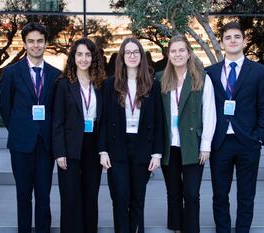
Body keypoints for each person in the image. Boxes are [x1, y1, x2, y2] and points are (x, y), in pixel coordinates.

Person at [204, 21, 264, 233]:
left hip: (248, 142)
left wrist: (259, 137)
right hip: (221, 142)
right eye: (228, 37)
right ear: (222, 43)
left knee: (246, 193)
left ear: (243, 41)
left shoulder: (259, 72)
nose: (232, 40)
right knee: (220, 193)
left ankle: (243, 229)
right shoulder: (211, 73)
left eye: (236, 37)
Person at [0, 22, 61, 233]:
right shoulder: (11, 73)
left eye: (40, 41)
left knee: (43, 194)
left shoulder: (56, 75)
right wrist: (19, 130)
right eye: (31, 41)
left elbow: (57, 111)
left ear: (46, 43)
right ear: (24, 44)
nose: (36, 45)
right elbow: (5, 108)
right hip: (20, 144)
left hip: (45, 144)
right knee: (23, 194)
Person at [98, 37, 164, 233]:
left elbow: (159, 121)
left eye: (136, 52)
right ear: (122, 57)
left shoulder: (153, 85)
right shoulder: (110, 85)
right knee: (119, 197)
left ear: (142, 57)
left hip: (143, 146)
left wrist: (157, 153)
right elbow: (102, 120)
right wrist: (102, 150)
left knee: (137, 198)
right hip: (117, 146)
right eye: (128, 52)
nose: (132, 56)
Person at [156, 34, 216, 233]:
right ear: (168, 54)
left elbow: (209, 113)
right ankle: (176, 227)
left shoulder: (201, 78)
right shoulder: (160, 79)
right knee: (173, 192)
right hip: (168, 145)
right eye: (173, 51)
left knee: (191, 193)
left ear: (189, 53)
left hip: (192, 145)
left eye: (182, 50)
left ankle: (191, 229)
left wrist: (206, 145)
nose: (177, 54)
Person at [52, 38, 106, 233]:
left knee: (91, 195)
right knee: (70, 196)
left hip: (93, 145)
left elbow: (104, 120)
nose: (84, 59)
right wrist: (59, 152)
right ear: (73, 57)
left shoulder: (100, 85)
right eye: (80, 54)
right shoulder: (63, 85)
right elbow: (57, 121)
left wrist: (103, 150)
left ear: (93, 58)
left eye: (88, 55)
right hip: (70, 146)